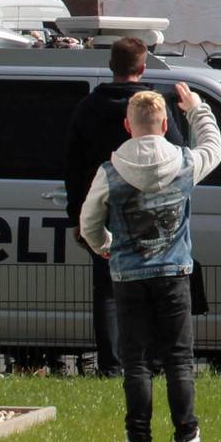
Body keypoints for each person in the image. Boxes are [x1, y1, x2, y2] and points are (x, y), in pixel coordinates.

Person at [79, 82, 221, 442]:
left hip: (128, 275)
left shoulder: (110, 170)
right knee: (179, 359)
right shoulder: (184, 162)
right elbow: (214, 146)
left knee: (136, 362)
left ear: (128, 127)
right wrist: (196, 108)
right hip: (174, 272)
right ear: (163, 125)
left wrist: (105, 245)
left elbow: (89, 221)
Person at [64, 37, 191, 378]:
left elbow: (73, 167)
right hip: (152, 209)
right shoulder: (152, 105)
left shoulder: (88, 107)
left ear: (111, 67)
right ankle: (154, 362)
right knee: (156, 288)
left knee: (107, 292)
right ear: (143, 67)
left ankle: (112, 363)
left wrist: (78, 215)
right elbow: (176, 156)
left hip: (103, 209)